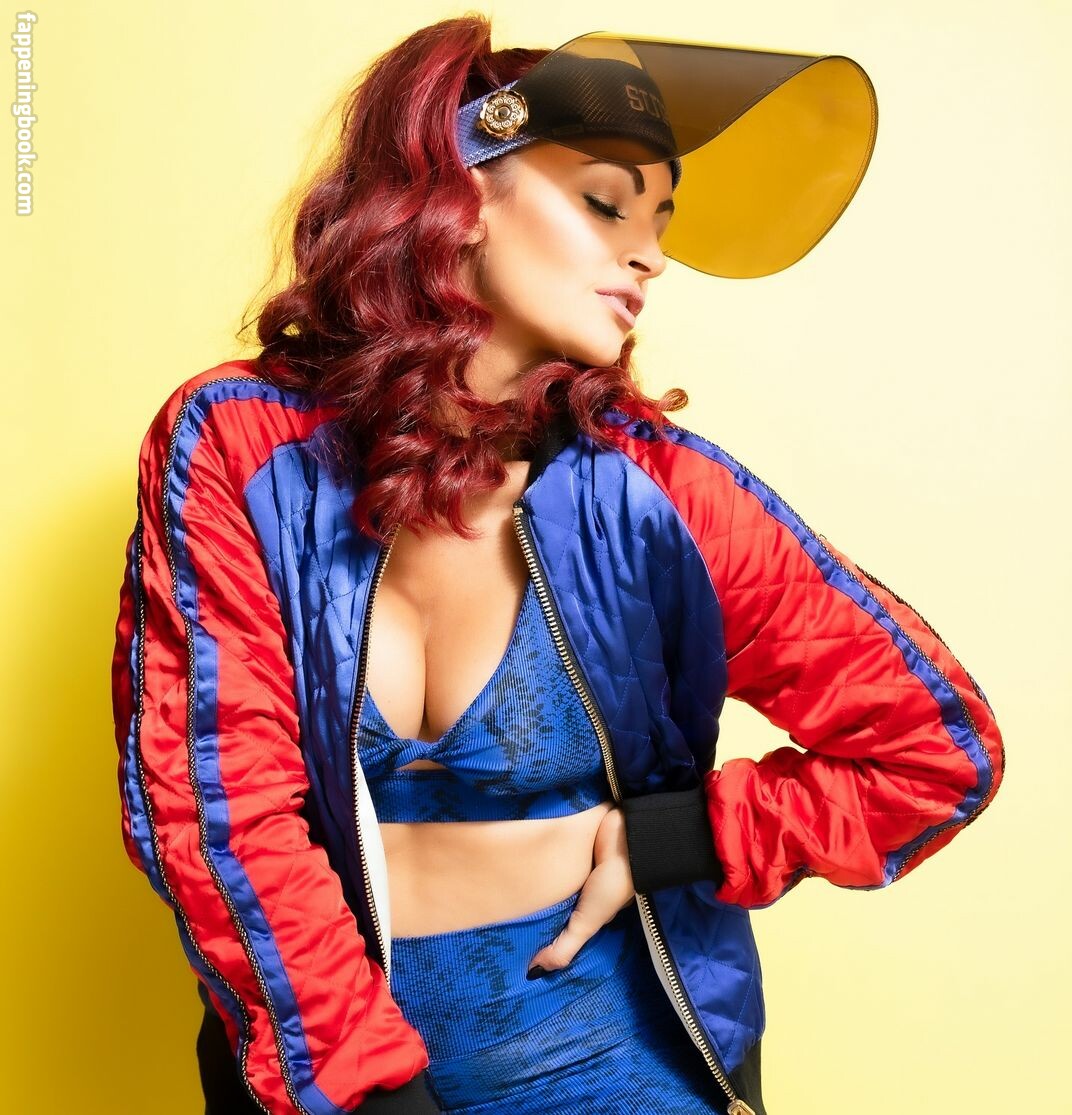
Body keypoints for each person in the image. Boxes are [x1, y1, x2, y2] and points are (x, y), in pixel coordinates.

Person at [110, 15, 1004, 1115]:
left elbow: (937, 749)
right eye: (606, 203)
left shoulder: (660, 494)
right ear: (458, 196)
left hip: (619, 1066)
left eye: (662, 220)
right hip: (334, 1079)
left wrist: (685, 833)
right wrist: (366, 1094)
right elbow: (216, 807)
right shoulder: (238, 447)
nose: (651, 255)